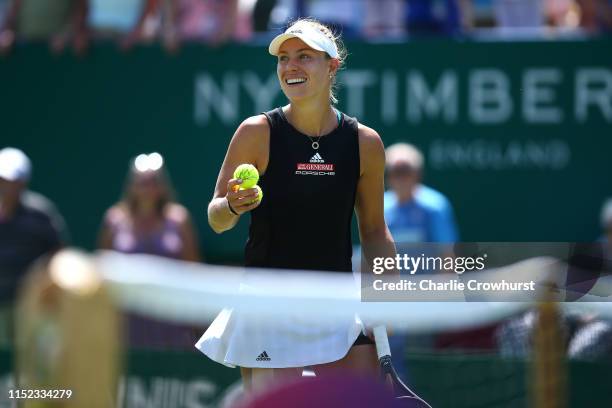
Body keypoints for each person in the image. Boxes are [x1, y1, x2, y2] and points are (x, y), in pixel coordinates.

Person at [196, 18, 396, 393]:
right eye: (284, 58)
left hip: (336, 303)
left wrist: (388, 292)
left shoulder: (365, 143)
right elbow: (216, 218)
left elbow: (373, 230)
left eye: (304, 56)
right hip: (267, 306)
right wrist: (233, 206)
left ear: (331, 66)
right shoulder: (256, 132)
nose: (291, 67)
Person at [98, 152, 201, 349]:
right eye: (142, 182)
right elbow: (103, 272)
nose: (147, 188)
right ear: (132, 185)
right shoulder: (114, 220)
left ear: (162, 186)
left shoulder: (179, 219)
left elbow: (193, 270)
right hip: (128, 320)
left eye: (153, 181)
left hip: (171, 318)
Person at [383, 143, 459, 380]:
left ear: (417, 174)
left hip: (423, 303)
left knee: (420, 364)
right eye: (395, 171)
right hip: (389, 304)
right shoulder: (381, 206)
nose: (401, 178)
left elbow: (447, 257)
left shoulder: (435, 207)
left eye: (406, 171)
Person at [0, 147, 68, 346]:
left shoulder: (41, 214)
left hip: (31, 307)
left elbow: (59, 255)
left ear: (23, 183)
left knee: (29, 366)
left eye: (13, 181)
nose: (6, 186)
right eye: (3, 180)